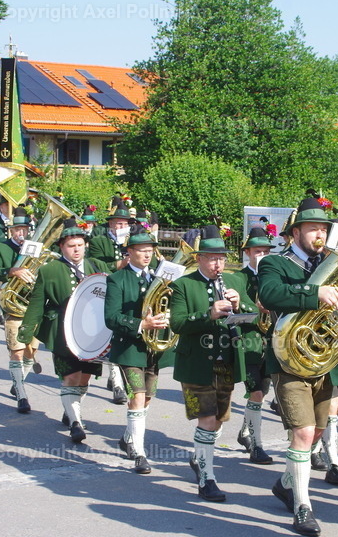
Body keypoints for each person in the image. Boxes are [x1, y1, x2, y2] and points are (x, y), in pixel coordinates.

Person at [258, 195, 338, 537]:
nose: (320, 235)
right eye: (313, 228)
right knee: (300, 432)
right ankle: (302, 505)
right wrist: (314, 294)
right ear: (296, 231)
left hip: (325, 361)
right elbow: (270, 294)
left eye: (324, 229)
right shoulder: (275, 263)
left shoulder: (334, 264)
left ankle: (286, 483)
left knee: (316, 430)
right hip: (289, 360)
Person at [169, 225, 250, 501]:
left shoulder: (235, 282)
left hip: (226, 361)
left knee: (216, 422)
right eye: (213, 258)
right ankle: (207, 479)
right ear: (199, 258)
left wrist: (241, 306)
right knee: (206, 419)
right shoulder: (183, 285)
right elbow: (177, 323)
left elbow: (254, 316)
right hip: (196, 364)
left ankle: (199, 457)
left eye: (222, 258)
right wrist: (208, 314)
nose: (219, 263)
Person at [17, 217, 109, 443]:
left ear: (85, 245)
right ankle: (76, 422)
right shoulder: (49, 270)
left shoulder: (98, 267)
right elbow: (37, 304)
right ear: (61, 247)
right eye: (71, 246)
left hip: (93, 331)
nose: (76, 249)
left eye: (79, 245)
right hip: (62, 331)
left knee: (85, 377)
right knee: (70, 376)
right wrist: (26, 332)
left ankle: (71, 410)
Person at [104, 224, 172, 474]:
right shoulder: (116, 279)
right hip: (129, 348)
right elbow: (111, 318)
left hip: (154, 348)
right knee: (137, 396)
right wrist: (141, 323)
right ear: (129, 252)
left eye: (150, 251)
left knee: (147, 398)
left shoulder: (159, 277)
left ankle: (127, 437)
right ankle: (140, 454)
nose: (147, 255)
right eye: (141, 250)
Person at [0, 208, 38, 413]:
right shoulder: (1, 247)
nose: (21, 233)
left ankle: (17, 382)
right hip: (13, 305)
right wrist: (11, 271)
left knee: (30, 353)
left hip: (33, 305)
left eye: (24, 229)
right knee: (16, 352)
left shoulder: (36, 248)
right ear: (11, 230)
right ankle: (22, 395)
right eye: (17, 229)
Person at [235, 226, 276, 465]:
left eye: (265, 251)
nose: (261, 255)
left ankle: (245, 432)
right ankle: (257, 447)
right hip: (249, 343)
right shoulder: (239, 278)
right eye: (257, 251)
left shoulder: (273, 275)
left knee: (263, 391)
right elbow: (233, 313)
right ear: (248, 253)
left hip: (270, 342)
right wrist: (253, 308)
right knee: (257, 393)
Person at [90, 196, 136, 404]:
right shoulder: (99, 241)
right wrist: (118, 264)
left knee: (121, 335)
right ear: (110, 224)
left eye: (125, 223)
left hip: (129, 292)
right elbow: (93, 263)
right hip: (106, 290)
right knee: (111, 335)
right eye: (118, 223)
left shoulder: (134, 241)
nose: (122, 226)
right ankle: (118, 384)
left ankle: (116, 377)